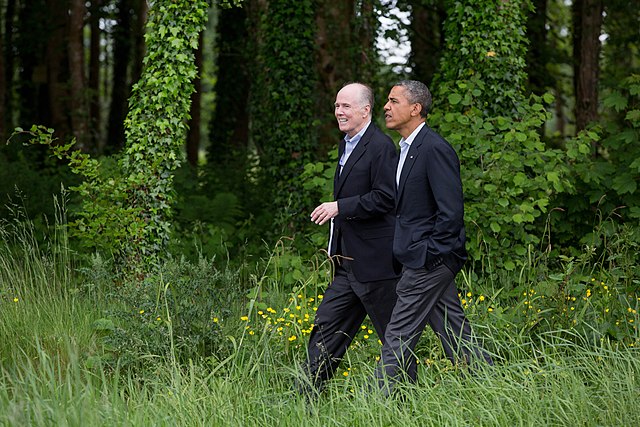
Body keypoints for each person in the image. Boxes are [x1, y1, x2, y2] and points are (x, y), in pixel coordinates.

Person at [375, 80, 492, 394]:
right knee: (455, 332)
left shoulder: (434, 148)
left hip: (429, 261)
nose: (386, 106)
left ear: (415, 109)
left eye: (393, 101)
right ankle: (490, 385)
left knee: (398, 331)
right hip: (422, 257)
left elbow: (451, 213)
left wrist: (427, 255)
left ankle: (373, 403)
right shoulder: (406, 150)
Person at [301, 82, 400, 394]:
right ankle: (305, 397)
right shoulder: (346, 143)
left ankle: (404, 401)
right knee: (326, 325)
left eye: (345, 106)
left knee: (395, 338)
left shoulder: (381, 147)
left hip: (376, 264)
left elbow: (386, 198)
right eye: (336, 106)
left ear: (365, 110)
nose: (338, 112)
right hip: (346, 264)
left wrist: (339, 207)